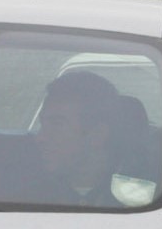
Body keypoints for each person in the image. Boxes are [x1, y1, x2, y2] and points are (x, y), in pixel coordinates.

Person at [33, 71, 127, 206]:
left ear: (98, 135)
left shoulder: (143, 200)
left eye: (57, 124)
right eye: (42, 124)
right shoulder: (25, 196)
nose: (39, 138)